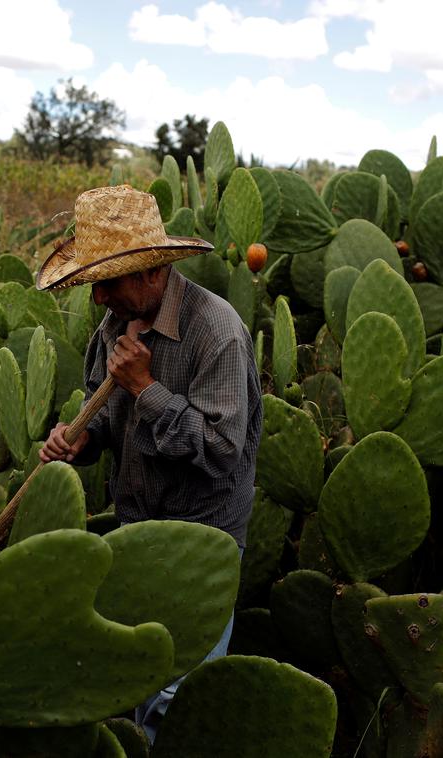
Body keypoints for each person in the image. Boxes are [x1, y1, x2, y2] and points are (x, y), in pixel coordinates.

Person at [36, 184, 263, 743]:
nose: (97, 299)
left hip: (200, 540)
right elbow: (108, 418)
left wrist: (147, 388)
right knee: (135, 681)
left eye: (105, 283)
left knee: (180, 698)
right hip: (136, 532)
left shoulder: (218, 333)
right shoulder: (113, 328)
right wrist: (79, 442)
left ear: (150, 273)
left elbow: (221, 452)